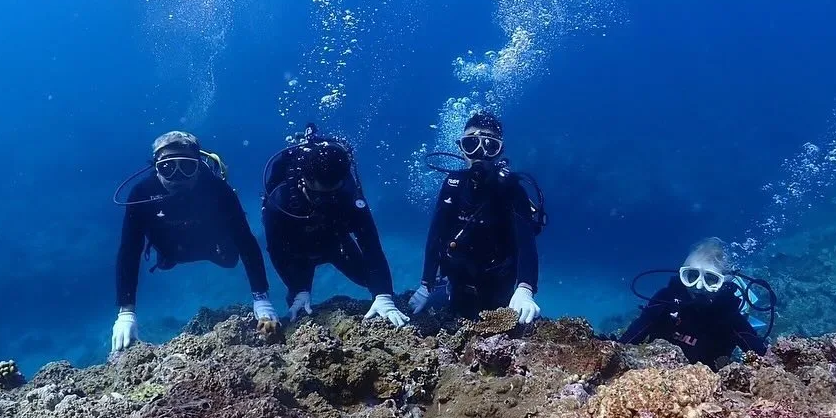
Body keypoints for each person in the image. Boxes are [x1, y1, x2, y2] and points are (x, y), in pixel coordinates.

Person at [111, 131, 279, 353]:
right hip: (171, 251)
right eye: (168, 167)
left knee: (230, 258)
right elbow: (129, 250)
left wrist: (261, 298)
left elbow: (245, 240)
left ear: (199, 166)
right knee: (167, 259)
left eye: (187, 166)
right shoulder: (141, 193)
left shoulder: (218, 189)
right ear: (155, 167)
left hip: (214, 247)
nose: (177, 177)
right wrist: (126, 312)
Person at [261, 124, 409, 327]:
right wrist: (299, 288)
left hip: (337, 243)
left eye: (333, 193)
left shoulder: (349, 194)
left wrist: (384, 295)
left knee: (373, 282)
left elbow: (371, 245)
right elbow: (276, 250)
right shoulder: (281, 200)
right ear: (304, 181)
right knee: (299, 306)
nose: (326, 201)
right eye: (319, 195)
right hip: (298, 251)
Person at [409, 112, 542, 323]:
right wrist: (426, 284)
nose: (479, 153)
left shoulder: (512, 190)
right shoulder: (452, 185)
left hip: (498, 286)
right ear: (462, 149)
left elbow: (526, 243)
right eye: (471, 144)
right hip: (456, 281)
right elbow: (436, 235)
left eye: (490, 146)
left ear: (499, 152)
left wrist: (525, 288)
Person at [620, 237, 769, 368]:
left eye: (710, 279)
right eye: (692, 276)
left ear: (724, 282)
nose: (698, 286)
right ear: (682, 273)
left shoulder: (728, 315)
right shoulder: (666, 298)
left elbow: (761, 357)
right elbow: (632, 335)